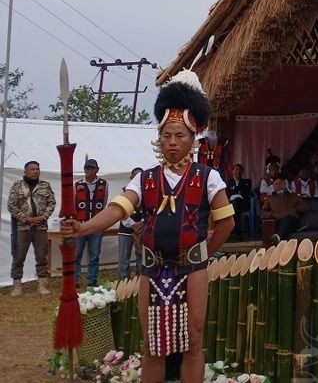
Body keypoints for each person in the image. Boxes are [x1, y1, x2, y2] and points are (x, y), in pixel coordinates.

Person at [60, 71, 235, 383]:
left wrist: (206, 254)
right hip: (151, 270)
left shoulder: (208, 177)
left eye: (179, 135)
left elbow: (227, 221)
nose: (172, 142)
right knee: (152, 345)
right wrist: (85, 227)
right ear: (158, 138)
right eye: (166, 135)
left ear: (193, 138)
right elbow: (118, 207)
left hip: (192, 268)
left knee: (194, 342)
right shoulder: (145, 179)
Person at [8, 160, 55, 296]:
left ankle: (42, 284)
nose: (36, 171)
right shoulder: (17, 186)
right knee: (18, 256)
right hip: (23, 227)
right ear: (25, 171)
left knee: (41, 256)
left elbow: (51, 203)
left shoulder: (45, 186)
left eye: (37, 169)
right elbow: (11, 206)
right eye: (32, 169)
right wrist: (25, 219)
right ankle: (17, 285)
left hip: (40, 226)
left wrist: (43, 217)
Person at [74, 158, 108, 287]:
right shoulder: (77, 185)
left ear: (97, 170)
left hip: (97, 225)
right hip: (81, 225)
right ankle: (75, 279)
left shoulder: (104, 184)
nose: (90, 171)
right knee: (77, 254)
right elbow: (74, 204)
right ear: (84, 170)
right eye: (87, 168)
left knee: (94, 254)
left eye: (92, 168)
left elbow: (103, 204)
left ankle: (92, 280)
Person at [117, 166, 144, 279]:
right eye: (135, 176)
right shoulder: (124, 192)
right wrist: (132, 224)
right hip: (125, 230)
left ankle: (140, 280)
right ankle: (123, 281)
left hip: (142, 229)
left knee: (141, 256)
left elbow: (152, 210)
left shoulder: (149, 192)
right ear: (131, 177)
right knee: (123, 257)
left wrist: (142, 223)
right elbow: (120, 209)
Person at [260, 176, 306, 240]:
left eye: (280, 183)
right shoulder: (270, 198)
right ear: (273, 186)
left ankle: (278, 238)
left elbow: (304, 207)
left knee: (286, 219)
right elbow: (263, 212)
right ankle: (280, 240)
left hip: (292, 220)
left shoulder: (293, 195)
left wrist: (294, 210)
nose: (278, 185)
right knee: (279, 223)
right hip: (278, 221)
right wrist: (273, 214)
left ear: (284, 185)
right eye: (276, 184)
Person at [226, 163, 252, 240]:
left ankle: (235, 231)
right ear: (233, 171)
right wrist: (238, 194)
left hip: (243, 204)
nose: (238, 172)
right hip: (230, 205)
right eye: (236, 170)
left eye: (240, 170)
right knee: (235, 204)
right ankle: (237, 232)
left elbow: (246, 193)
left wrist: (234, 195)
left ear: (242, 172)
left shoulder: (247, 182)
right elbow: (227, 195)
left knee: (236, 202)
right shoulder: (228, 182)